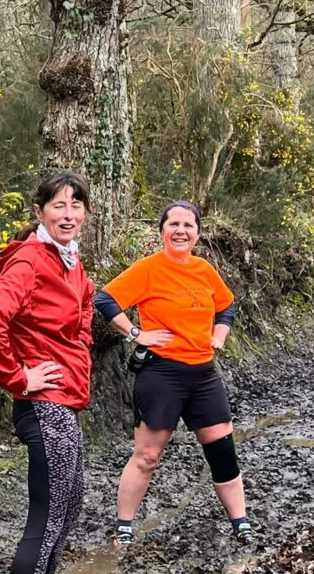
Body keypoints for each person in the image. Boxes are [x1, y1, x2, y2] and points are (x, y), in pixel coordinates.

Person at [0, 172, 94, 574]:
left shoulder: (71, 262)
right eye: (58, 205)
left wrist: (78, 346)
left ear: (85, 213)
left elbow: (83, 312)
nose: (68, 214)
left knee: (72, 503)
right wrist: (19, 377)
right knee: (47, 512)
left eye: (76, 205)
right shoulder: (30, 260)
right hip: (42, 406)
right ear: (40, 211)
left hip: (66, 401)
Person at [94, 200, 252, 547]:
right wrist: (136, 334)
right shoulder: (148, 269)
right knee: (148, 456)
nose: (181, 231)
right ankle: (124, 526)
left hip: (203, 375)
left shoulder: (204, 270)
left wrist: (219, 335)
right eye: (173, 224)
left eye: (188, 225)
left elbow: (226, 305)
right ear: (162, 230)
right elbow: (105, 300)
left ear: (198, 233)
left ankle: (241, 524)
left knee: (222, 449)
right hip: (161, 373)